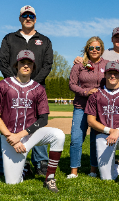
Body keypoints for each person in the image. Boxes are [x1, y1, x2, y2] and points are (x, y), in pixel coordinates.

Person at [0, 50, 65, 192]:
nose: (25, 65)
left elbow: (43, 119)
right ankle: (25, 169)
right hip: (9, 137)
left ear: (33, 67)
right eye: (22, 62)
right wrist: (11, 137)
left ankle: (50, 178)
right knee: (12, 183)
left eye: (29, 63)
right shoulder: (4, 85)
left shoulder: (38, 88)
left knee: (59, 135)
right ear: (16, 65)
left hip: (30, 135)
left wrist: (21, 135)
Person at [0, 5, 53, 176]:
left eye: (31, 15)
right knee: (8, 120)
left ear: (35, 18)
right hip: (12, 88)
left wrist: (31, 85)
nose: (28, 18)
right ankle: (8, 160)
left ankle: (40, 162)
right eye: (24, 15)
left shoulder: (44, 40)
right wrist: (15, 83)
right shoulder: (9, 38)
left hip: (37, 88)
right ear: (20, 18)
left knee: (37, 122)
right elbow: (3, 61)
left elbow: (47, 64)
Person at [86, 61, 119, 191]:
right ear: (105, 74)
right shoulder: (96, 95)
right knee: (107, 178)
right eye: (110, 73)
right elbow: (90, 121)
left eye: (115, 73)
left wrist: (117, 131)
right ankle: (116, 167)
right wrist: (110, 131)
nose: (113, 76)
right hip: (104, 135)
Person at [68, 36, 109, 178]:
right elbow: (72, 84)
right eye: (91, 48)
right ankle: (74, 171)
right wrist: (85, 92)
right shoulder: (79, 64)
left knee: (95, 139)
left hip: (99, 109)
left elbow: (113, 81)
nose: (94, 50)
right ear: (87, 49)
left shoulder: (107, 64)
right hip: (81, 106)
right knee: (76, 139)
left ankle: (93, 170)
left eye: (98, 48)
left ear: (102, 49)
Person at [74, 27, 119, 97]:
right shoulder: (103, 54)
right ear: (112, 39)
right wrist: (80, 59)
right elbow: (90, 60)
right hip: (107, 96)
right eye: (116, 37)